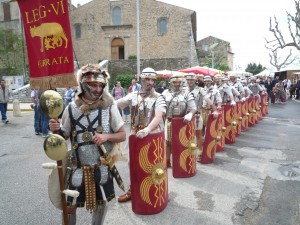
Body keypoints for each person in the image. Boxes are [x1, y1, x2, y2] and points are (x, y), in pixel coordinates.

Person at [49, 64, 126, 225]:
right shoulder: (71, 108)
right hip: (77, 167)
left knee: (100, 204)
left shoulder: (109, 107)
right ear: (84, 84)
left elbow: (122, 135)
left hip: (101, 167)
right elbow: (64, 135)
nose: (98, 89)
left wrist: (106, 136)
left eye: (101, 85)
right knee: (69, 206)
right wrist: (56, 130)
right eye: (93, 85)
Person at [116, 67, 166, 203]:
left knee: (152, 165)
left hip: (151, 135)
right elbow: (116, 104)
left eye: (152, 80)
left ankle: (156, 191)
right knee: (131, 163)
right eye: (147, 79)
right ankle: (133, 190)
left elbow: (158, 116)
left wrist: (147, 129)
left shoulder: (159, 97)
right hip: (134, 135)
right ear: (142, 80)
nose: (150, 82)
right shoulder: (134, 95)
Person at [162, 73, 196, 167]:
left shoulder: (187, 94)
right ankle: (167, 161)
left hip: (181, 122)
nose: (177, 84)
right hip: (169, 121)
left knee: (180, 142)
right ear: (171, 83)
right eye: (174, 82)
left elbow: (193, 107)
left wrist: (190, 114)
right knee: (168, 142)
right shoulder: (165, 93)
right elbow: (159, 106)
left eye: (179, 82)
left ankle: (179, 162)